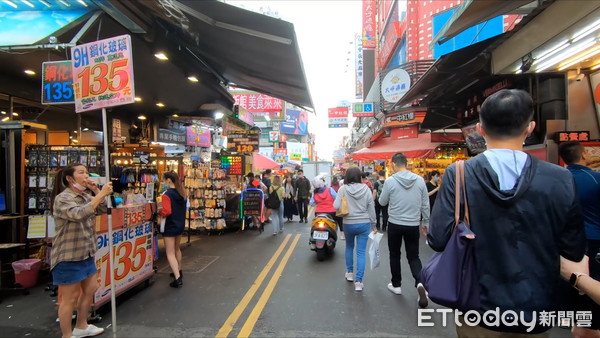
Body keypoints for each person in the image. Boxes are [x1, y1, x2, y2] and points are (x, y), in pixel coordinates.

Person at [428, 89, 586, 336]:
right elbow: (574, 250)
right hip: (536, 310)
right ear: (530, 127)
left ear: (480, 129)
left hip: (477, 309)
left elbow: (437, 239)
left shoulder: (458, 174)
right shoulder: (561, 178)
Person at [50, 163, 112, 338]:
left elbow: (101, 209)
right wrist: (99, 195)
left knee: (91, 288)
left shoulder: (85, 196)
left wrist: (96, 190)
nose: (86, 176)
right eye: (81, 173)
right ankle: (67, 334)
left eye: (86, 172)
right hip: (69, 255)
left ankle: (82, 325)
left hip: (86, 252)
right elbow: (79, 214)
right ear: (70, 178)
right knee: (69, 298)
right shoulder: (63, 198)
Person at [559, 141, 600, 335]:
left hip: (565, 245)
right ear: (584, 155)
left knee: (574, 288)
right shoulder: (595, 179)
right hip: (593, 244)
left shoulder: (557, 179)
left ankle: (577, 322)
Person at [378, 153, 429, 307]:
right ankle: (420, 283)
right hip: (413, 224)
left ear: (393, 164)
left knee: (395, 254)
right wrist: (425, 222)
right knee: (413, 256)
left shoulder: (390, 181)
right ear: (406, 164)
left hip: (395, 223)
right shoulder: (420, 181)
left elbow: (382, 201)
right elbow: (425, 204)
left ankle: (396, 285)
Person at [334, 167, 376, 292]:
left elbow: (336, 206)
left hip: (348, 223)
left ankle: (350, 273)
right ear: (359, 177)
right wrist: (374, 225)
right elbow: (371, 209)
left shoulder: (343, 189)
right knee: (361, 252)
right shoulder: (366, 189)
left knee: (349, 247)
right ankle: (359, 282)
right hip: (364, 224)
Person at [159, 171, 187, 288]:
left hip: (170, 225)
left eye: (164, 180)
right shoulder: (182, 193)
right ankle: (179, 271)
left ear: (168, 181)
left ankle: (177, 278)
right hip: (180, 224)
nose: (163, 183)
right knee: (177, 249)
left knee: (170, 253)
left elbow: (166, 211)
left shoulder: (166, 195)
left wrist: (159, 211)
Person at [310, 175, 344, 239]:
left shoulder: (314, 193)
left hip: (318, 213)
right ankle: (342, 232)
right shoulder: (330, 190)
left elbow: (311, 203)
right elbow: (337, 198)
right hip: (331, 213)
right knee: (340, 218)